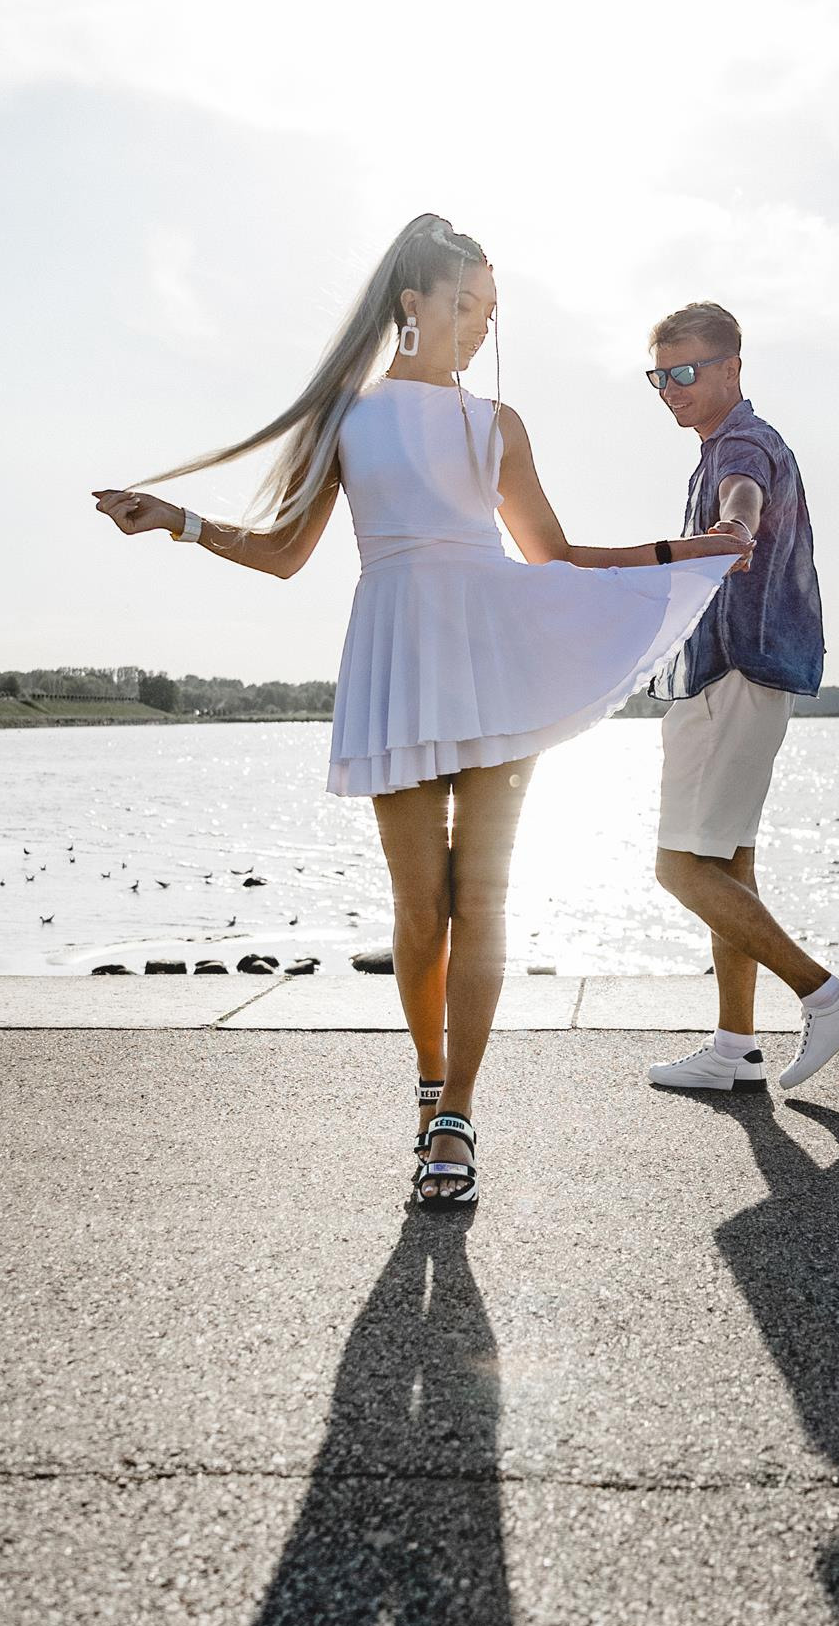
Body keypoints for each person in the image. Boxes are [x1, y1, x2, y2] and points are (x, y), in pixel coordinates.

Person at [93, 216, 748, 1207]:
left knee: (480, 900)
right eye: (464, 305)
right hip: (395, 656)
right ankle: (428, 1088)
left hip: (498, 657)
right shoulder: (347, 418)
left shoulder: (497, 425)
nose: (481, 326)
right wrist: (178, 521)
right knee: (419, 906)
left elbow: (552, 558)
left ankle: (456, 1119)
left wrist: (679, 555)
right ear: (413, 304)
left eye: (490, 310)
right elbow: (283, 553)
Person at [642, 299, 839, 1093]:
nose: (671, 388)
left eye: (685, 371)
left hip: (729, 675)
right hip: (745, 676)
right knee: (728, 864)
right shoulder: (732, 442)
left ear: (731, 369)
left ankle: (823, 994)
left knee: (680, 869)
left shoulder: (741, 443)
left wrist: (736, 531)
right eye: (659, 375)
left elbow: (739, 500)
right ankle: (735, 1046)